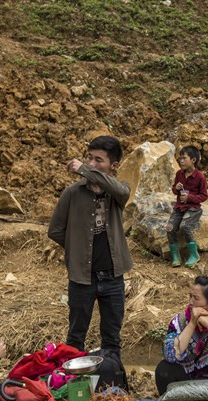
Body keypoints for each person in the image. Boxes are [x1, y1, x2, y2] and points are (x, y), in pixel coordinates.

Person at [48, 135, 133, 357]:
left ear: (113, 166)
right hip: (82, 278)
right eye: (89, 158)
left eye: (98, 160)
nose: (92, 164)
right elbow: (55, 230)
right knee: (76, 336)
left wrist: (84, 169)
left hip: (113, 277)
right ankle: (73, 386)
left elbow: (123, 191)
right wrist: (76, 248)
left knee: (112, 338)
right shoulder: (72, 193)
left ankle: (111, 382)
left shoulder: (117, 193)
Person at [167, 146, 208, 268]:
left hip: (193, 208)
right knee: (170, 228)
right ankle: (176, 256)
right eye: (180, 158)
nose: (181, 161)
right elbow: (175, 191)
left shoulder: (200, 177)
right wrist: (177, 188)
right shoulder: (179, 174)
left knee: (185, 226)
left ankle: (194, 254)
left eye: (184, 158)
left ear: (193, 160)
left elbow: (204, 196)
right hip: (180, 207)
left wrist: (190, 198)